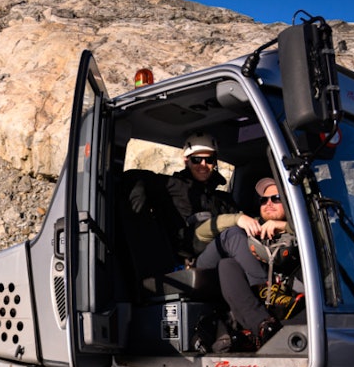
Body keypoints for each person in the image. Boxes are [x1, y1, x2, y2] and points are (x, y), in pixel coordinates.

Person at [201, 177, 297, 351]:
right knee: (233, 234)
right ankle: (266, 291)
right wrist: (237, 219)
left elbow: (318, 229)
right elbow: (201, 234)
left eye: (276, 198)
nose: (269, 203)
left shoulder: (297, 228)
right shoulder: (251, 225)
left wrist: (282, 225)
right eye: (263, 200)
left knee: (227, 266)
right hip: (208, 269)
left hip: (238, 292)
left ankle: (262, 326)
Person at [126, 134, 256, 262]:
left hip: (221, 255)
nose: (203, 165)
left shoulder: (222, 198)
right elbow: (133, 177)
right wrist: (140, 220)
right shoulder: (173, 185)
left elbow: (244, 221)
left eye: (209, 160)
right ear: (186, 161)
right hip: (185, 256)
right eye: (196, 160)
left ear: (215, 162)